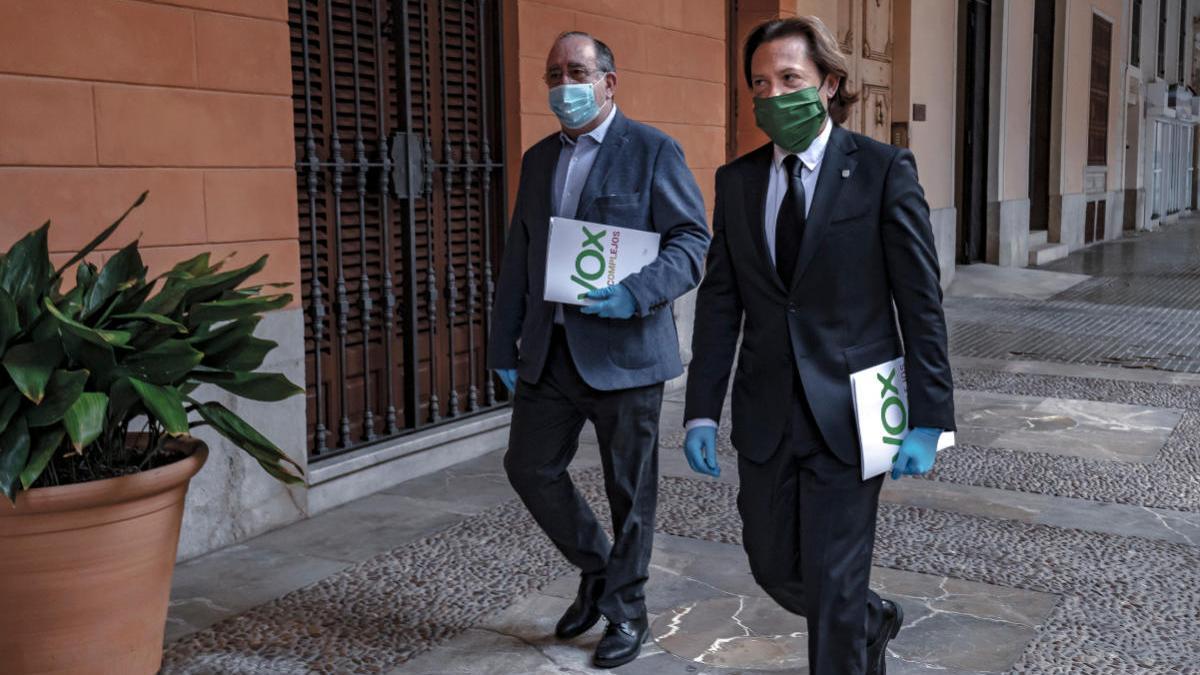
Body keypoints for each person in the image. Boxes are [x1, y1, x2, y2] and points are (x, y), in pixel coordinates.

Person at [682, 16, 956, 675]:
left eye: (789, 79)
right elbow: (722, 301)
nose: (773, 96)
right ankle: (872, 617)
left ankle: (850, 622)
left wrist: (931, 417)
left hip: (852, 413)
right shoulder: (739, 181)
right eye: (760, 83)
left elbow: (920, 301)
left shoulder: (884, 170)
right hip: (766, 412)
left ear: (830, 83)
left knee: (833, 587)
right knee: (774, 566)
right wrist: (699, 408)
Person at [488, 31, 710, 669]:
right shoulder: (537, 160)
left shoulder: (652, 151)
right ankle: (597, 571)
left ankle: (628, 610)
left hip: (627, 352)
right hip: (550, 353)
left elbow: (692, 241)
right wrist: (504, 342)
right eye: (554, 73)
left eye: (577, 71)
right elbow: (519, 258)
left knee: (630, 491)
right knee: (529, 467)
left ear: (609, 81)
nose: (565, 84)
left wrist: (637, 293)